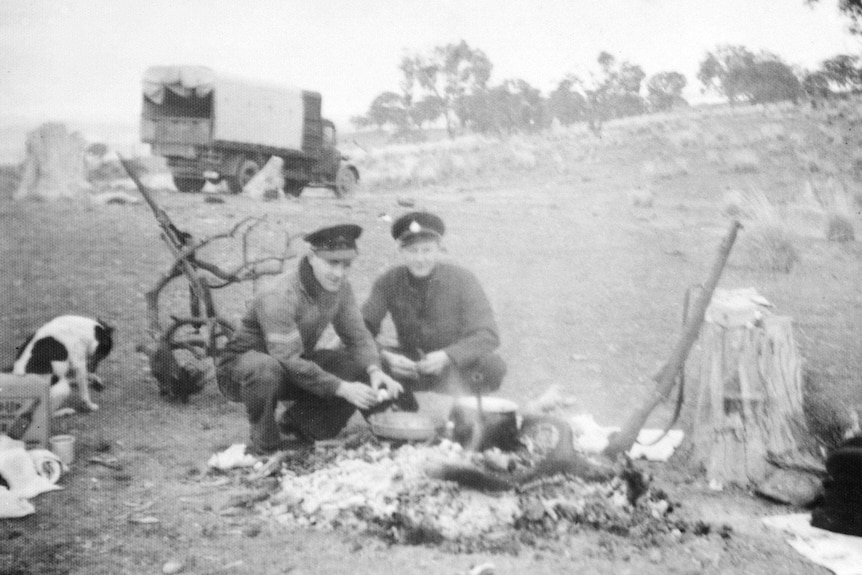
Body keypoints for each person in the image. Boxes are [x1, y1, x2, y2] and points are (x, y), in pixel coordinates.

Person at [216, 223, 402, 454]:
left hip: (292, 365)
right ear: (312, 257)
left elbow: (359, 337)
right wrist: (341, 387)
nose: (339, 273)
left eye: (346, 264)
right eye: (332, 263)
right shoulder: (279, 293)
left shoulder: (341, 288)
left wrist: (375, 371)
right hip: (243, 371)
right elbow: (286, 359)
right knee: (266, 368)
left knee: (353, 362)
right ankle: (265, 441)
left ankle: (299, 428)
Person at [361, 211, 506, 411]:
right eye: (412, 251)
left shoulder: (463, 279)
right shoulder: (388, 281)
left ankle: (465, 412)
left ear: (439, 249)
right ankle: (403, 409)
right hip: (408, 368)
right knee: (363, 363)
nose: (420, 259)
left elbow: (488, 334)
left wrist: (448, 355)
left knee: (492, 365)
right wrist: (387, 356)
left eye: (427, 250)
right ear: (401, 252)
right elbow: (361, 330)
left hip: (453, 367)